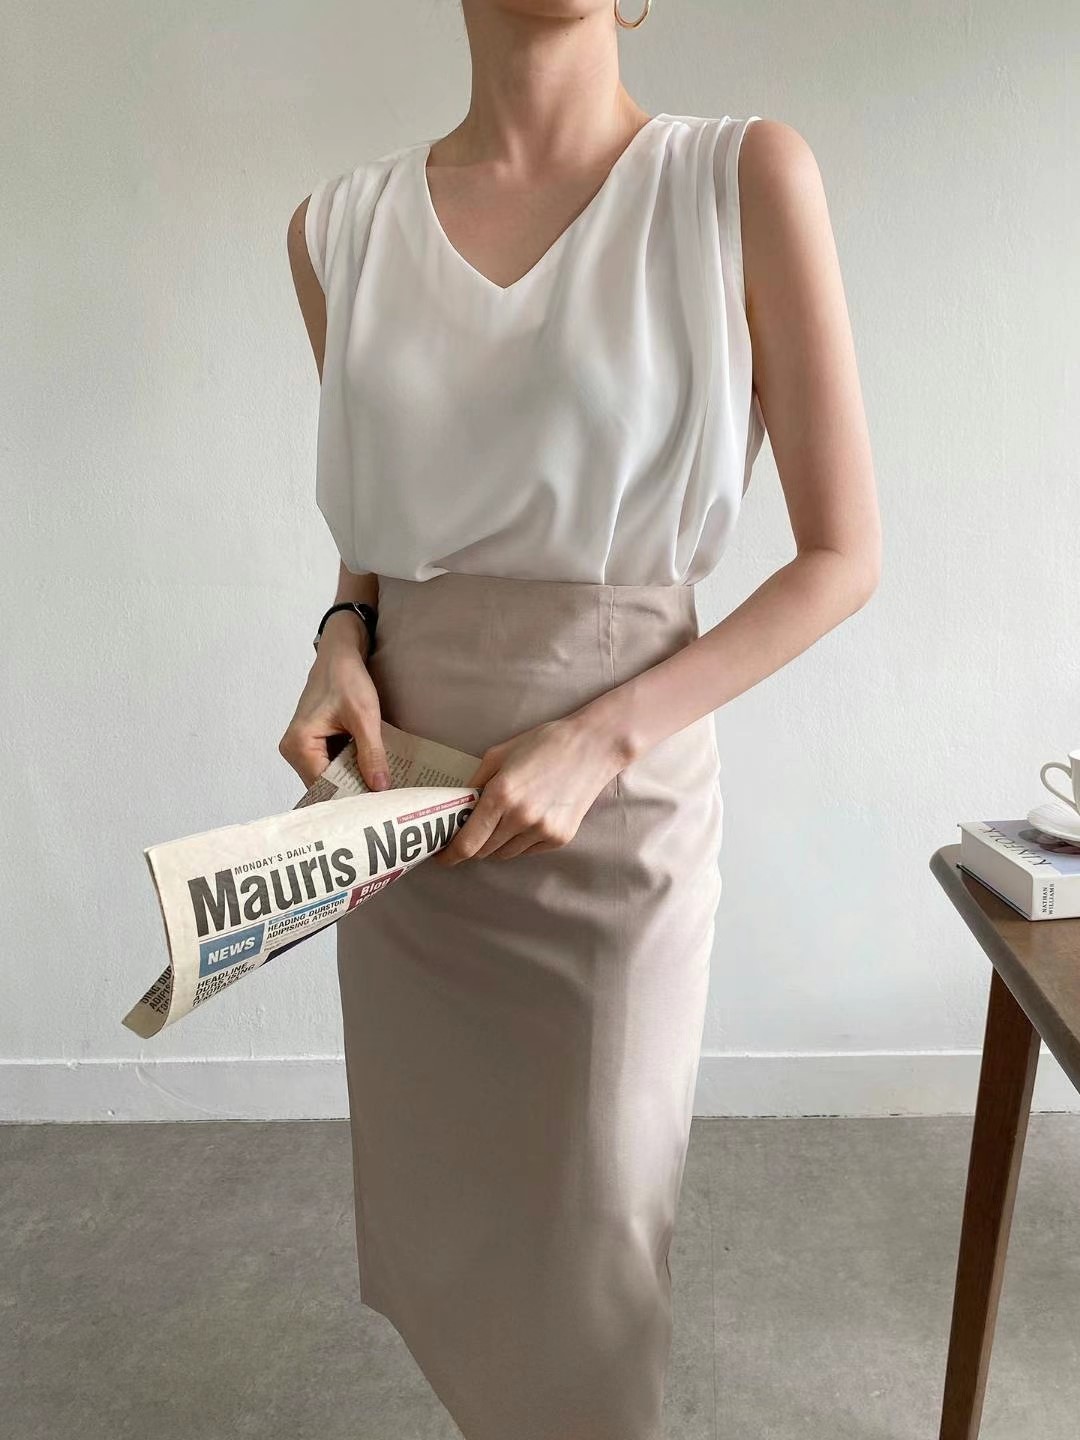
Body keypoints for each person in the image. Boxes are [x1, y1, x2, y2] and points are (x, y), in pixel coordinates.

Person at [281, 2, 881, 1436]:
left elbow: (842, 556)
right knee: (463, 1249)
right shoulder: (336, 231)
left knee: (596, 1264)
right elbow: (384, 526)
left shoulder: (740, 178)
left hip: (621, 810)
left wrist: (602, 738)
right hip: (409, 814)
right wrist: (339, 635)